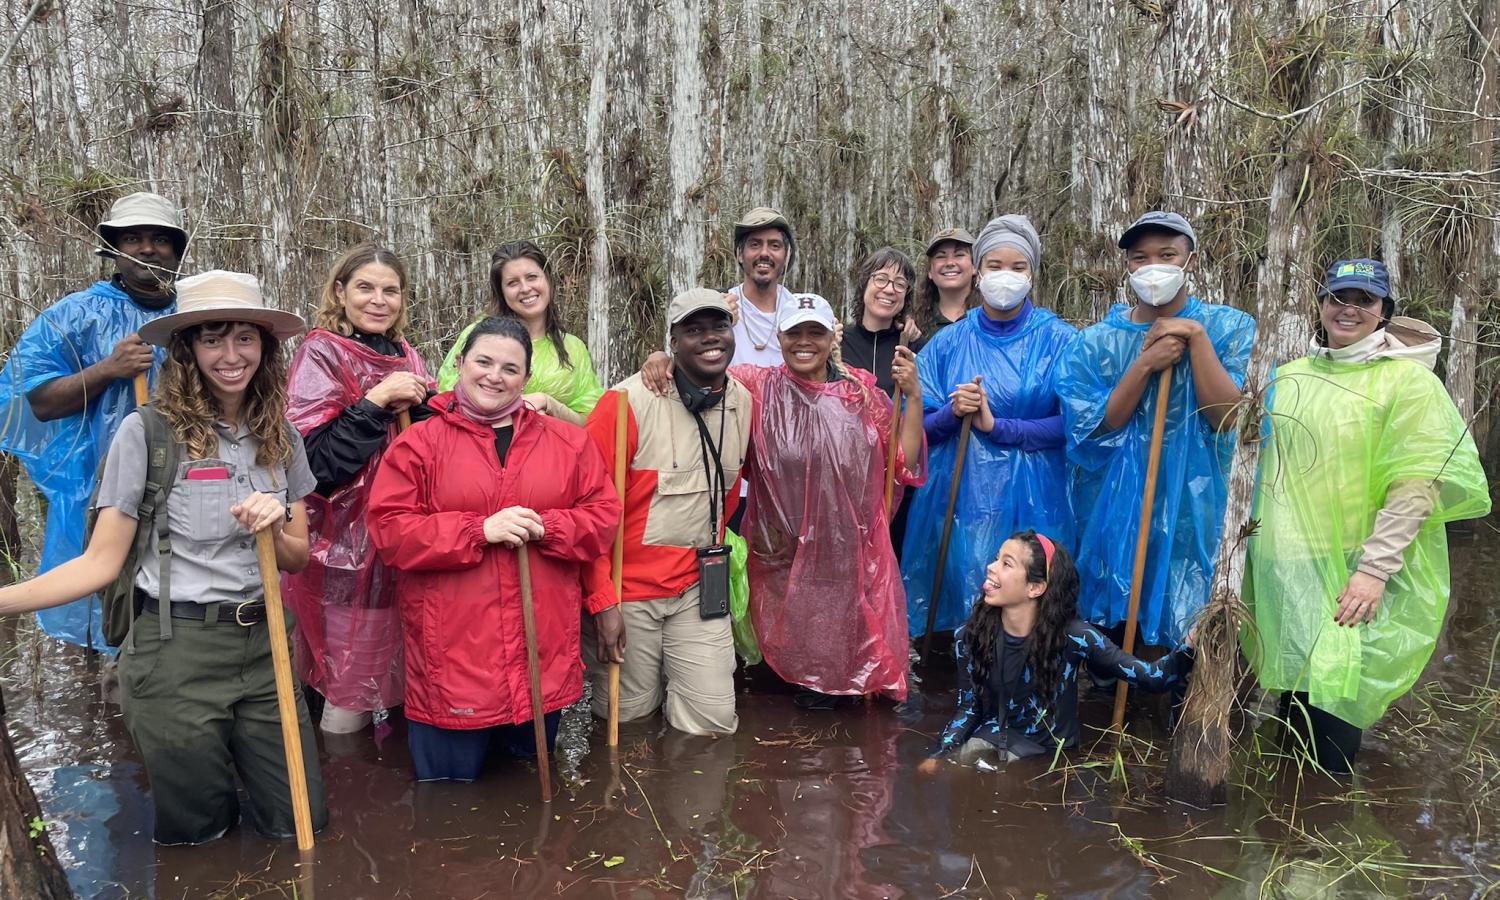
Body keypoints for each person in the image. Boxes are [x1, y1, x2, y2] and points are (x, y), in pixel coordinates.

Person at [0, 270, 326, 844]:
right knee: (198, 837)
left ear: (265, 347)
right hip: (175, 652)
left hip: (266, 645)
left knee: (302, 824)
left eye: (245, 338)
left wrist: (273, 529)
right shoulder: (146, 434)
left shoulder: (283, 437)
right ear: (187, 349)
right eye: (212, 338)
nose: (231, 355)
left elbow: (297, 557)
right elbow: (99, 564)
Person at [1242, 259, 1489, 774]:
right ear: (1321, 304)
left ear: (1383, 313)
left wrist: (1373, 570)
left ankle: (1323, 824)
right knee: (1293, 693)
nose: (1349, 309)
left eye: (1365, 300)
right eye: (1339, 296)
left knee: (1334, 705)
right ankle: (1288, 825)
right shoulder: (1287, 376)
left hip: (1351, 565)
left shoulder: (1408, 384)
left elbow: (1417, 484)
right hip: (1283, 561)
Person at [367, 317, 619, 781]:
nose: (494, 376)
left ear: (526, 378)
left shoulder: (569, 443)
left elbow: (603, 520)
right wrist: (479, 530)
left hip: (538, 658)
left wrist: (547, 526)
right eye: (483, 361)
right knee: (449, 809)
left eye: (510, 368)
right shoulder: (418, 444)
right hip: (452, 661)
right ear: (460, 364)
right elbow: (390, 532)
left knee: (526, 795)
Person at [1054, 211, 1254, 650]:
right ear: (1127, 266)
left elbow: (1227, 417)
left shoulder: (1231, 328)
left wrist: (1197, 340)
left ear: (1191, 260)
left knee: (1184, 637)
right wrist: (1144, 363)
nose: (1153, 267)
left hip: (1193, 508)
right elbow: (1095, 427)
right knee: (1113, 634)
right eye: (1140, 258)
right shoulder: (1095, 343)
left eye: (1167, 255)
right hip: (1113, 508)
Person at [0, 191, 186, 648]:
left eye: (160, 239)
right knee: (112, 614)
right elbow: (33, 401)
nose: (147, 248)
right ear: (114, 250)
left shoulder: (199, 313)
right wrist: (108, 369)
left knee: (183, 609)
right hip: (100, 494)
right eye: (134, 238)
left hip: (189, 487)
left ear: (178, 250)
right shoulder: (72, 316)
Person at [732, 294, 927, 707]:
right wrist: (663, 359)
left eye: (814, 332)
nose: (805, 341)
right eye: (794, 332)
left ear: (830, 336)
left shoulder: (861, 394)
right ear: (779, 337)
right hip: (782, 551)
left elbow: (903, 462)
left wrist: (913, 396)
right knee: (784, 689)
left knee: (845, 676)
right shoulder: (758, 386)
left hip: (846, 553)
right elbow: (705, 372)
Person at [579, 289, 753, 735]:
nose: (710, 339)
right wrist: (602, 603)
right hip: (628, 593)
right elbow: (586, 515)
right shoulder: (624, 404)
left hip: (699, 588)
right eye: (694, 330)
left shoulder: (743, 403)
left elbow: (729, 497)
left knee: (712, 725)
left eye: (719, 327)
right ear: (671, 343)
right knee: (628, 720)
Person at [901, 215, 1077, 641]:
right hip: (962, 500)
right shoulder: (947, 343)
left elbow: (1076, 426)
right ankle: (968, 683)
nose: (1006, 276)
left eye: (1018, 267)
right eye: (995, 265)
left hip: (1039, 498)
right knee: (969, 600)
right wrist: (950, 413)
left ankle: (1031, 696)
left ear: (1033, 274)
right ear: (978, 272)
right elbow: (912, 429)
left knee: (1033, 608)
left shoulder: (1061, 341)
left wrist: (999, 427)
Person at [283, 243, 434, 734]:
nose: (378, 300)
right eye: (365, 287)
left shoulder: (407, 355)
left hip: (404, 542)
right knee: (347, 685)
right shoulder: (320, 351)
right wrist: (374, 402)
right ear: (340, 292)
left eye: (390, 290)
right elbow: (313, 463)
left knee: (402, 675)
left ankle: (391, 789)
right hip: (344, 552)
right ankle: (345, 787)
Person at [919, 530, 1191, 770]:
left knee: (1008, 780)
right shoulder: (969, 636)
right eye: (995, 558)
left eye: (1006, 564)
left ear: (1035, 587)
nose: (991, 568)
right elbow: (969, 708)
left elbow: (1155, 677)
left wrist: (1190, 643)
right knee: (958, 769)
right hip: (994, 736)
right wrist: (938, 755)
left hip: (1050, 758)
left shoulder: (1076, 637)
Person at [436, 241, 603, 425]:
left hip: (552, 450)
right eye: (512, 282)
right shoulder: (479, 336)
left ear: (548, 279)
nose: (525, 288)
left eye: (532, 277)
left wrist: (549, 403)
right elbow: (447, 398)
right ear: (502, 292)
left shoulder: (573, 348)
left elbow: (591, 421)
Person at [839, 247, 925, 395]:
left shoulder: (914, 347)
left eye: (899, 284)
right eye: (881, 279)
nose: (889, 290)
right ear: (864, 284)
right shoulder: (839, 341)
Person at [727, 206, 799, 366]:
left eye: (775, 246)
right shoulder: (722, 308)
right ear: (740, 254)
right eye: (755, 244)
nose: (765, 253)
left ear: (786, 256)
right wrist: (660, 358)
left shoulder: (799, 313)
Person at [918, 226, 978, 334]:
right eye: (941, 256)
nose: (950, 263)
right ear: (930, 271)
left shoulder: (992, 315)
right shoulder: (915, 323)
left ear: (974, 266)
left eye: (959, 255)